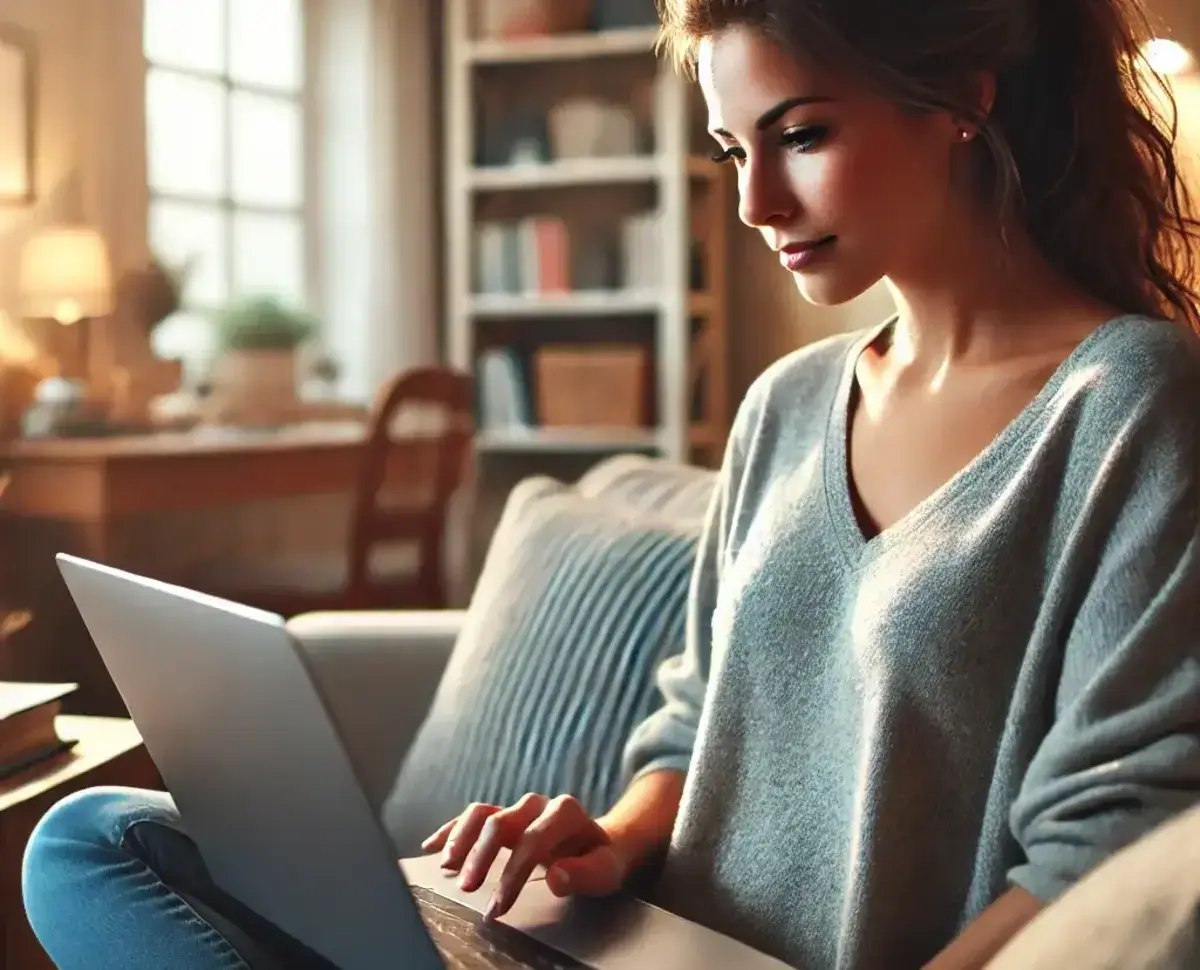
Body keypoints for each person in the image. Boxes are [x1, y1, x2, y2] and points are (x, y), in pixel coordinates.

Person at [18, 0, 1200, 968]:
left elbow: (1108, 843)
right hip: (627, 946)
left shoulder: (1130, 404)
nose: (753, 204)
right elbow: (690, 721)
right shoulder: (786, 405)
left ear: (963, 98)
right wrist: (612, 839)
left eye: (801, 136)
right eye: (735, 149)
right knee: (94, 838)